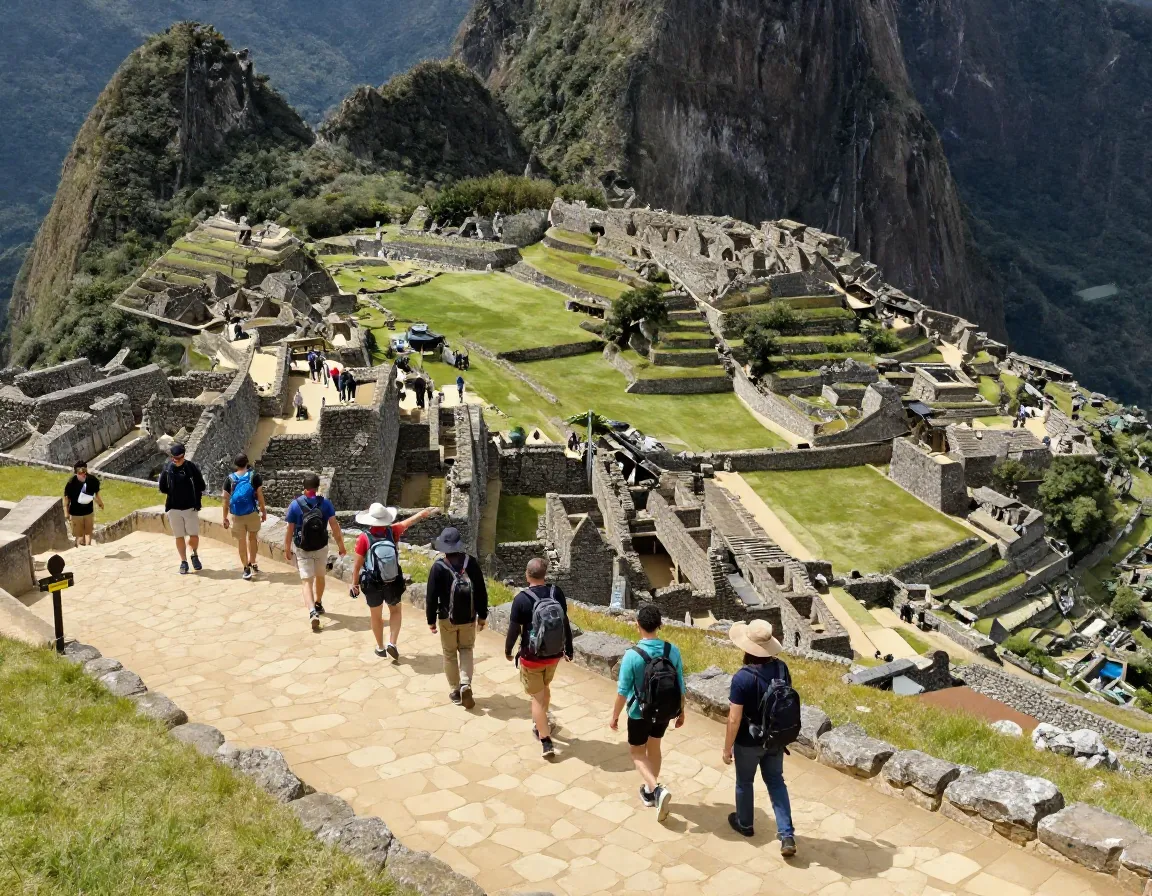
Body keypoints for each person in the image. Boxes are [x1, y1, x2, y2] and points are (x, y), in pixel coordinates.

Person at [722, 619, 796, 856]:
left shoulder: (742, 678)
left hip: (748, 740)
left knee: (745, 782)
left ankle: (745, 824)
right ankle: (786, 834)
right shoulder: (782, 668)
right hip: (775, 738)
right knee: (776, 782)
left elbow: (734, 719)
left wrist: (726, 748)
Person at [610, 604, 685, 820]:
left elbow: (623, 691)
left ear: (638, 625)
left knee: (636, 753)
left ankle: (657, 789)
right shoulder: (672, 650)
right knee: (655, 747)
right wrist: (681, 712)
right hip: (664, 710)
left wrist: (615, 716)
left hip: (638, 712)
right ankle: (650, 793)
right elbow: (680, 683)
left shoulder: (632, 656)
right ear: (659, 625)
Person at [350, 502, 439, 657]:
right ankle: (392, 642)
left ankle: (380, 647)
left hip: (372, 582)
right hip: (392, 580)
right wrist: (422, 513)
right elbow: (408, 522)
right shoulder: (392, 531)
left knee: (376, 616)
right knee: (395, 610)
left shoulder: (364, 538)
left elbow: (357, 565)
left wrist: (354, 584)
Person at [505, 557, 574, 758]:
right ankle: (544, 718)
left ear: (527, 574)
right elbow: (565, 622)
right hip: (553, 655)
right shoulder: (556, 592)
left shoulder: (521, 599)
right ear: (545, 574)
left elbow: (513, 630)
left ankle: (545, 739)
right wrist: (568, 649)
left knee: (536, 697)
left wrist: (508, 650)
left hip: (531, 657)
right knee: (544, 688)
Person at [426, 526, 488, 707]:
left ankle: (455, 691)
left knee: (450, 653)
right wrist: (482, 615)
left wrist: (431, 620)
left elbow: (431, 597)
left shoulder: (438, 567)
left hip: (447, 618)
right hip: (468, 618)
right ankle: (465, 683)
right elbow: (481, 592)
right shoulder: (472, 563)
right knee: (467, 650)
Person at [284, 472, 346, 632]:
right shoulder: (325, 504)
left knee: (306, 581)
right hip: (321, 547)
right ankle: (318, 603)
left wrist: (286, 548)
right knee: (320, 576)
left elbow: (289, 530)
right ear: (318, 488)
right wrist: (341, 545)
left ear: (304, 488)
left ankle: (312, 611)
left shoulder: (295, 505)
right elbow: (334, 526)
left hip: (302, 548)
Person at [157, 442, 206, 575]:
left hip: (190, 508)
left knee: (194, 536)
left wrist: (194, 498)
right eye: (173, 458)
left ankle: (194, 555)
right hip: (174, 508)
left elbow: (201, 485)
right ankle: (183, 561)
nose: (175, 460)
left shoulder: (191, 468)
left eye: (178, 458)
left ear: (183, 456)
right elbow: (162, 487)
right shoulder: (167, 469)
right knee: (179, 536)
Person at [222, 453, 267, 580]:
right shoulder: (254, 476)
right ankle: (253, 562)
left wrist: (225, 517)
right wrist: (263, 511)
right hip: (252, 513)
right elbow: (260, 495)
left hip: (237, 515)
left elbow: (225, 500)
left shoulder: (229, 479)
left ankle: (246, 568)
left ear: (236, 464)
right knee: (252, 538)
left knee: (241, 541)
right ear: (247, 462)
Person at [63, 461, 104, 546]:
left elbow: (95, 495)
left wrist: (100, 503)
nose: (83, 474)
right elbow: (67, 499)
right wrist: (66, 512)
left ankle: (86, 550)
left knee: (88, 534)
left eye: (84, 471)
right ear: (76, 472)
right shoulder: (71, 483)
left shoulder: (92, 480)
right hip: (76, 514)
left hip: (88, 512)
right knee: (80, 536)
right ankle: (81, 549)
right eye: (80, 472)